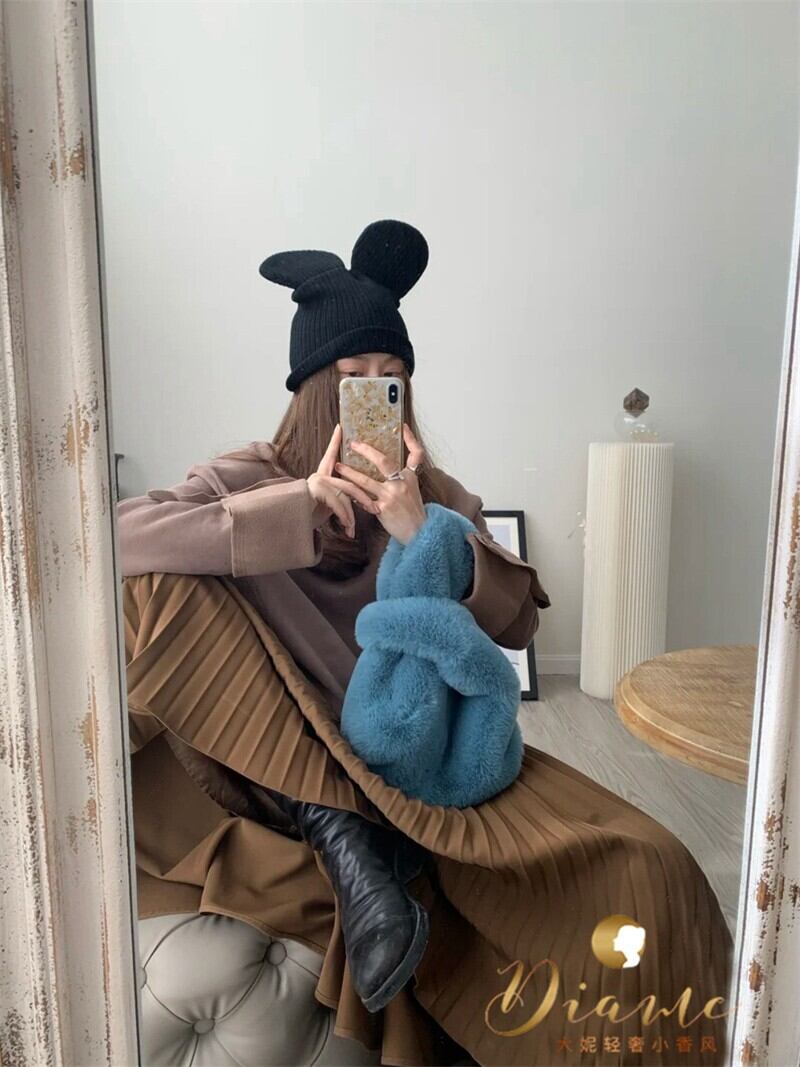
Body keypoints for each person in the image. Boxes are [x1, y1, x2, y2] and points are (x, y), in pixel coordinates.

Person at [119, 220, 731, 1067]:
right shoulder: (255, 477)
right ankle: (344, 830)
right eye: (350, 378)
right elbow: (117, 538)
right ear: (313, 390)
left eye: (391, 377)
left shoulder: (432, 490)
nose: (373, 393)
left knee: (651, 865)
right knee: (157, 584)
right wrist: (295, 508)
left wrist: (424, 531)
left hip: (424, 751)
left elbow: (520, 622)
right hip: (302, 758)